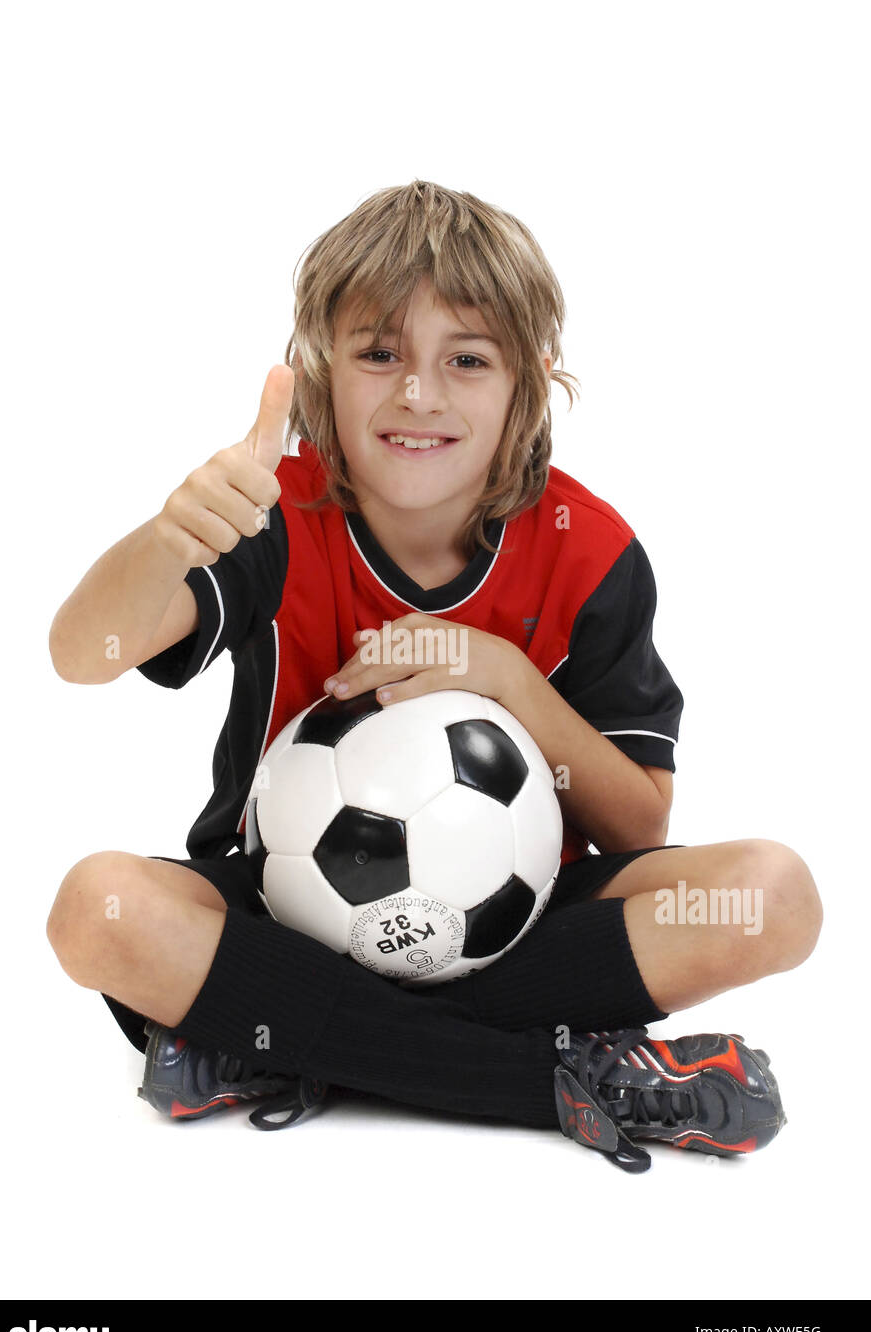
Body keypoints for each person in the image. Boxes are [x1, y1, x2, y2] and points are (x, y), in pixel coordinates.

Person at [46, 180, 822, 1172]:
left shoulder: (587, 550)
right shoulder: (274, 519)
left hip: (524, 929)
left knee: (772, 894)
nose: (419, 393)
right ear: (325, 377)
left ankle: (276, 1042)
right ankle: (561, 1079)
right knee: (93, 909)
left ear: (527, 389)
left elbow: (638, 828)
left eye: (466, 359)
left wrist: (509, 682)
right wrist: (167, 540)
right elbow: (82, 655)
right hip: (280, 919)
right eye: (379, 353)